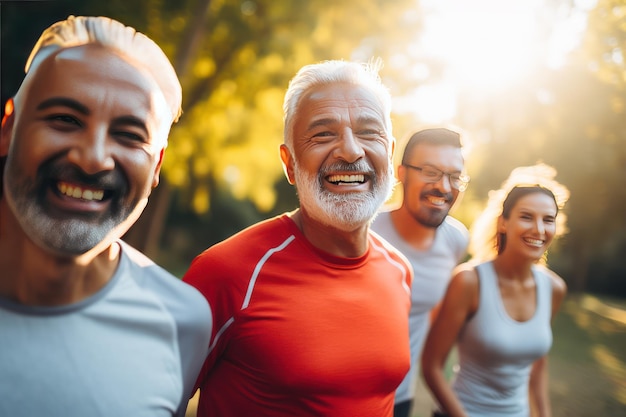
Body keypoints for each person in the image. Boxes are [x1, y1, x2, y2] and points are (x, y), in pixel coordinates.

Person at [0, 16, 211, 417]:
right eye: (65, 119)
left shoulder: (183, 323)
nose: (94, 158)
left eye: (130, 135)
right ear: (8, 127)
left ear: (156, 169)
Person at [183, 59, 413, 417]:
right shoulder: (227, 273)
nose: (351, 151)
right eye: (323, 134)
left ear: (391, 152)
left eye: (369, 132)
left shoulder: (400, 272)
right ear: (289, 164)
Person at [421, 163, 570, 417]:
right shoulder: (469, 281)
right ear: (503, 223)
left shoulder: (554, 288)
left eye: (548, 220)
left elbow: (537, 362)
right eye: (526, 216)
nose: (539, 229)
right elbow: (432, 366)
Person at [371, 127, 470, 417]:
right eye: (429, 171)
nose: (444, 186)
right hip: (340, 398)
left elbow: (430, 314)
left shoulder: (456, 240)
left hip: (401, 398)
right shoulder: (363, 230)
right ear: (401, 173)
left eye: (455, 176)